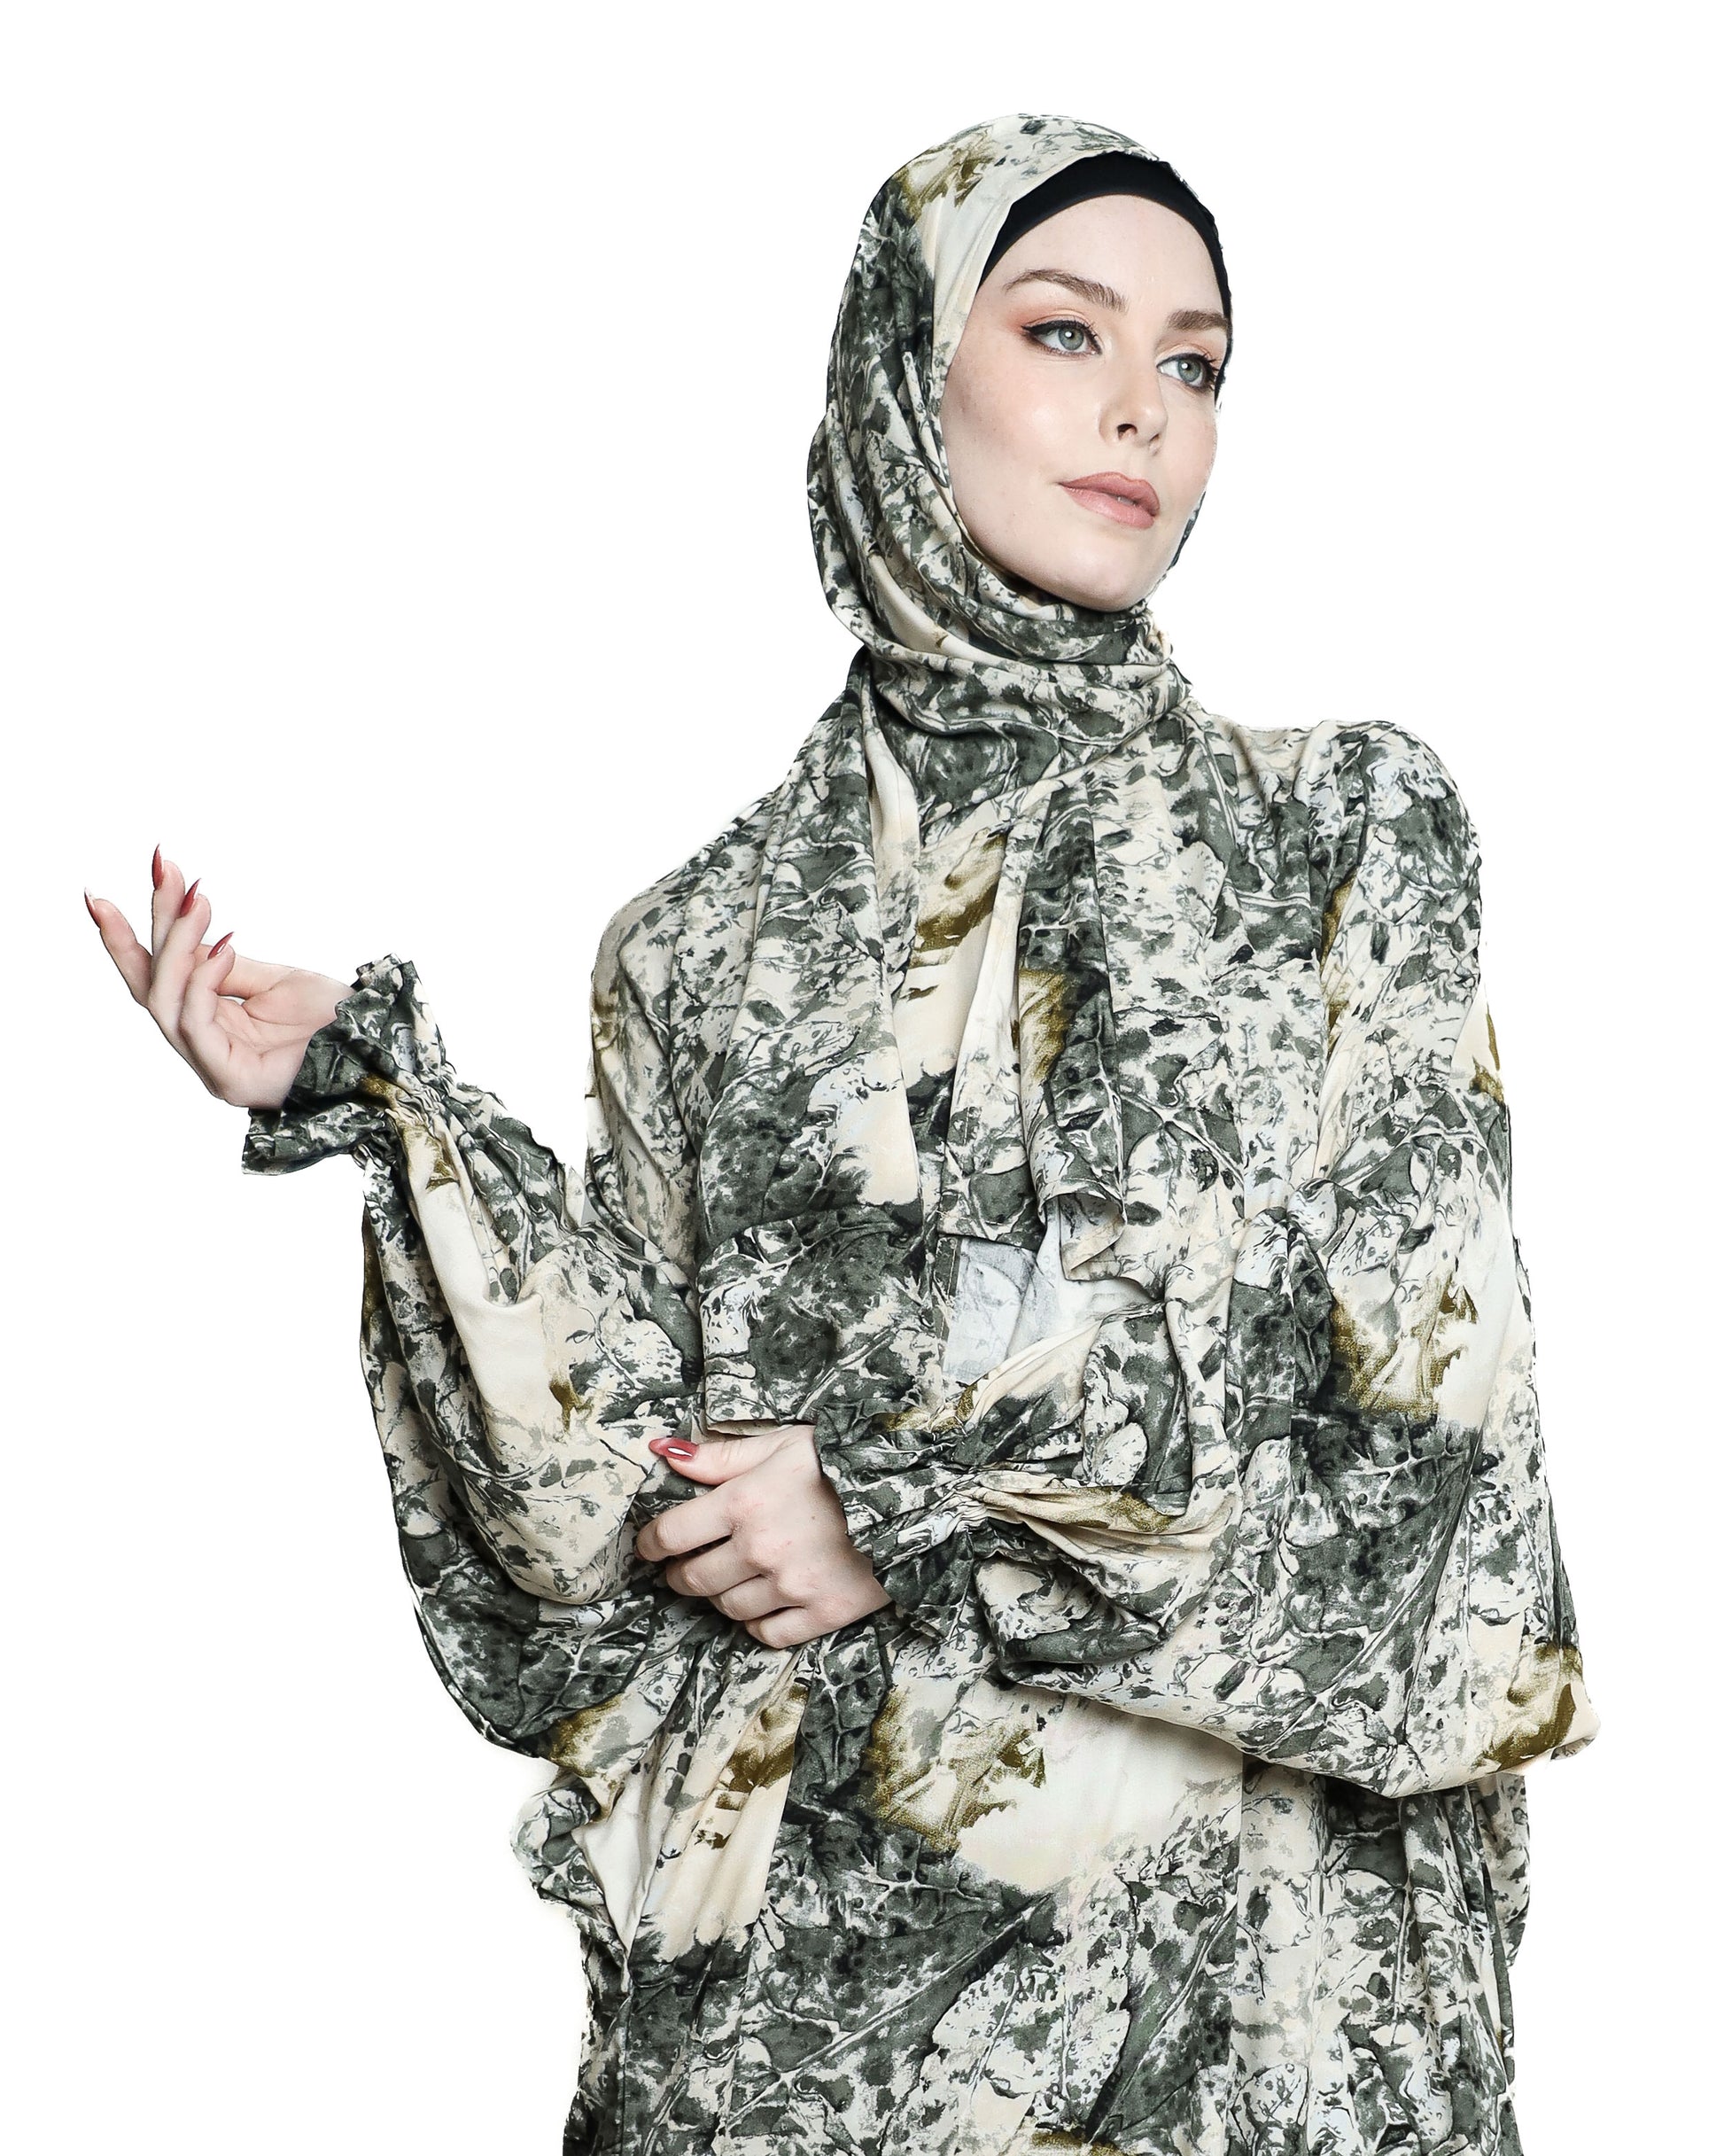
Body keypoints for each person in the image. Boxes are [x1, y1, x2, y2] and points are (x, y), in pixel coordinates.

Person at [84, 112, 1600, 2156]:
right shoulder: (701, 947)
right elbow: (600, 1561)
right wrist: (389, 1110)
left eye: (1195, 361)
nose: (1142, 410)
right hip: (814, 2035)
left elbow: (1430, 1492)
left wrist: (900, 1512)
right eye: (1064, 331)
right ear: (904, 373)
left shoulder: (1335, 841)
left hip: (1254, 2032)